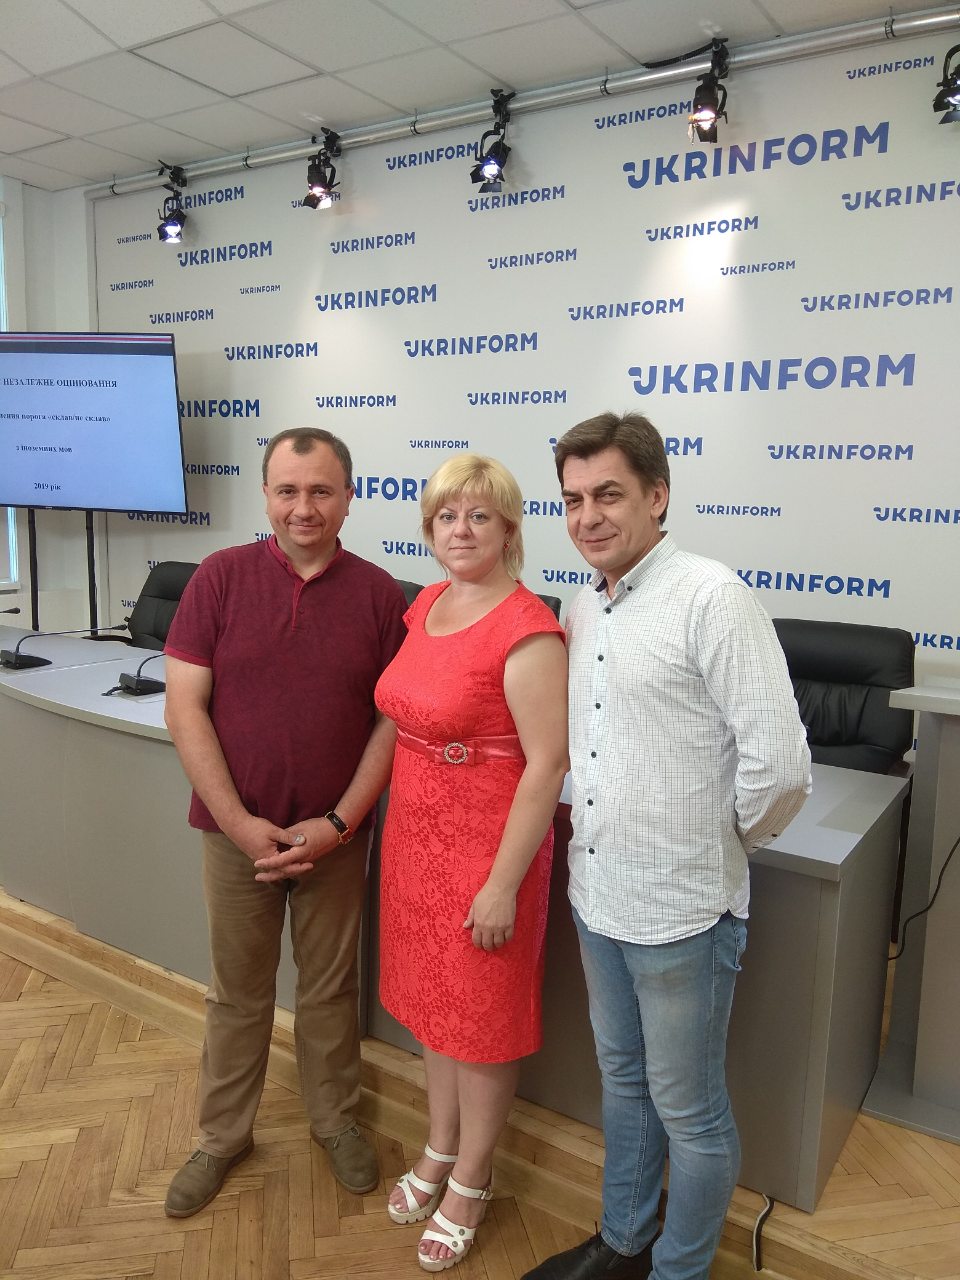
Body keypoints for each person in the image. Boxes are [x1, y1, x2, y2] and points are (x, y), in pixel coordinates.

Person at [523, 413, 811, 1280]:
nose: (588, 517)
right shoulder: (585, 603)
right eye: (573, 499)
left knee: (690, 1112)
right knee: (624, 1084)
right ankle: (623, 1242)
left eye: (608, 494)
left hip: (682, 914)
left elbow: (781, 767)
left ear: (657, 496)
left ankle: (679, 1272)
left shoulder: (711, 597)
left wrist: (714, 846)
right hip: (597, 896)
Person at [162, 427, 407, 1218]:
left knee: (331, 991)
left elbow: (391, 723)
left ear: (349, 498)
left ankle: (335, 1120)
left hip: (336, 840)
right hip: (234, 837)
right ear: (265, 495)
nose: (304, 507)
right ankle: (222, 1136)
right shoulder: (219, 578)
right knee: (237, 993)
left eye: (321, 491)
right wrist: (238, 822)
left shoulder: (381, 595)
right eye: (289, 490)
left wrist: (340, 822)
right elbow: (184, 708)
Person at [375, 454, 569, 1272]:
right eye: (447, 516)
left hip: (489, 852)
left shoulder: (529, 628)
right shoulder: (426, 603)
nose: (461, 530)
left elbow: (547, 764)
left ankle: (473, 1179)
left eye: (479, 516)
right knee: (434, 1011)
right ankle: (440, 1146)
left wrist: (501, 886)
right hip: (414, 840)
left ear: (509, 530)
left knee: (482, 1025)